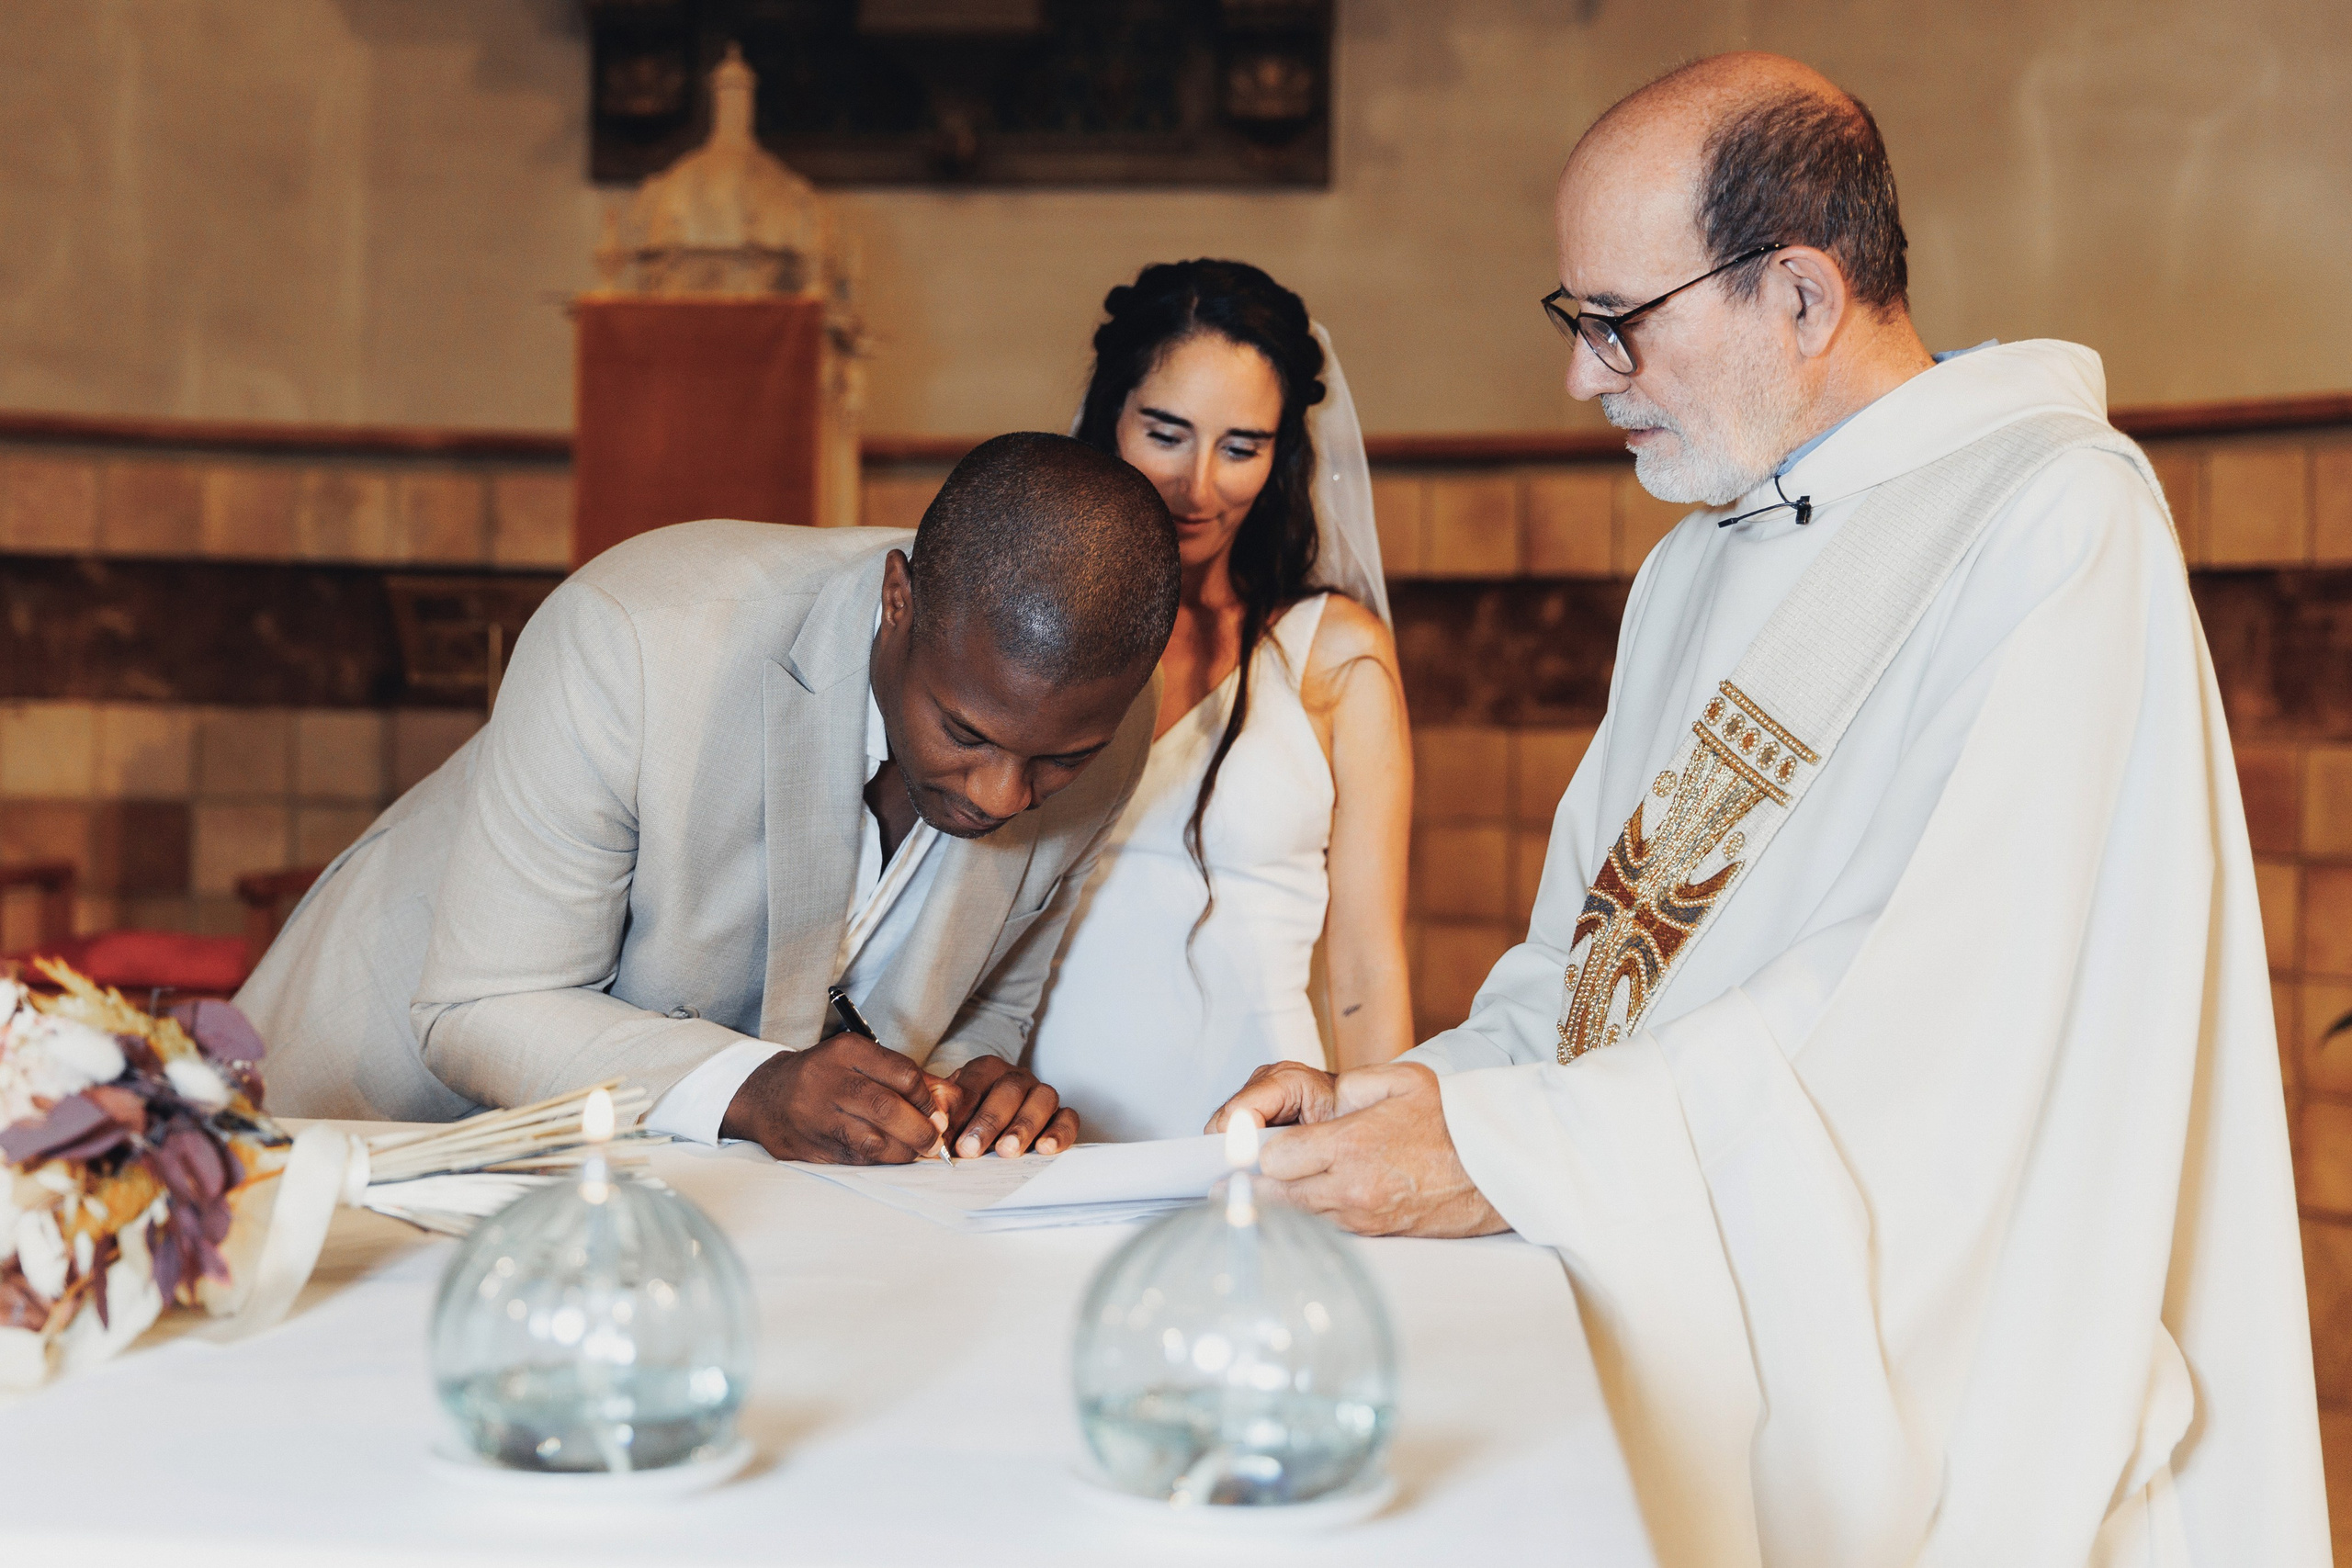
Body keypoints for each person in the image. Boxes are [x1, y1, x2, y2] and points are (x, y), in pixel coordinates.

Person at [1212, 53, 2326, 1567]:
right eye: (1576, 320)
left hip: (1934, 1361)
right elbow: (1596, 962)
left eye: (1616, 322)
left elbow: (1944, 1017)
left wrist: (1519, 1151)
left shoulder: (2057, 521)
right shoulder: (1702, 559)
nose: (1581, 376)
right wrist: (1428, 1098)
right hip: (1672, 1273)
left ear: (1798, 294)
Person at [239, 433, 1182, 1166]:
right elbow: (485, 1006)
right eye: (965, 733)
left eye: (1057, 760)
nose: (1004, 795)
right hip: (370, 1116)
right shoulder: (640, 641)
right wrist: (757, 1089)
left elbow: (977, 1005)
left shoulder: (1104, 733)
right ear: (900, 600)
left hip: (675, 1191)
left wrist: (963, 1094)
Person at [1022, 260, 1413, 1140]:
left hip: (1253, 1132)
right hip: (1043, 1124)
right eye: (1166, 433)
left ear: (1281, 456)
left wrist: (1377, 1150)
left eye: (1240, 448)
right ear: (1109, 417)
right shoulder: (1032, 633)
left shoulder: (1334, 653)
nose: (1199, 487)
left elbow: (1364, 965)